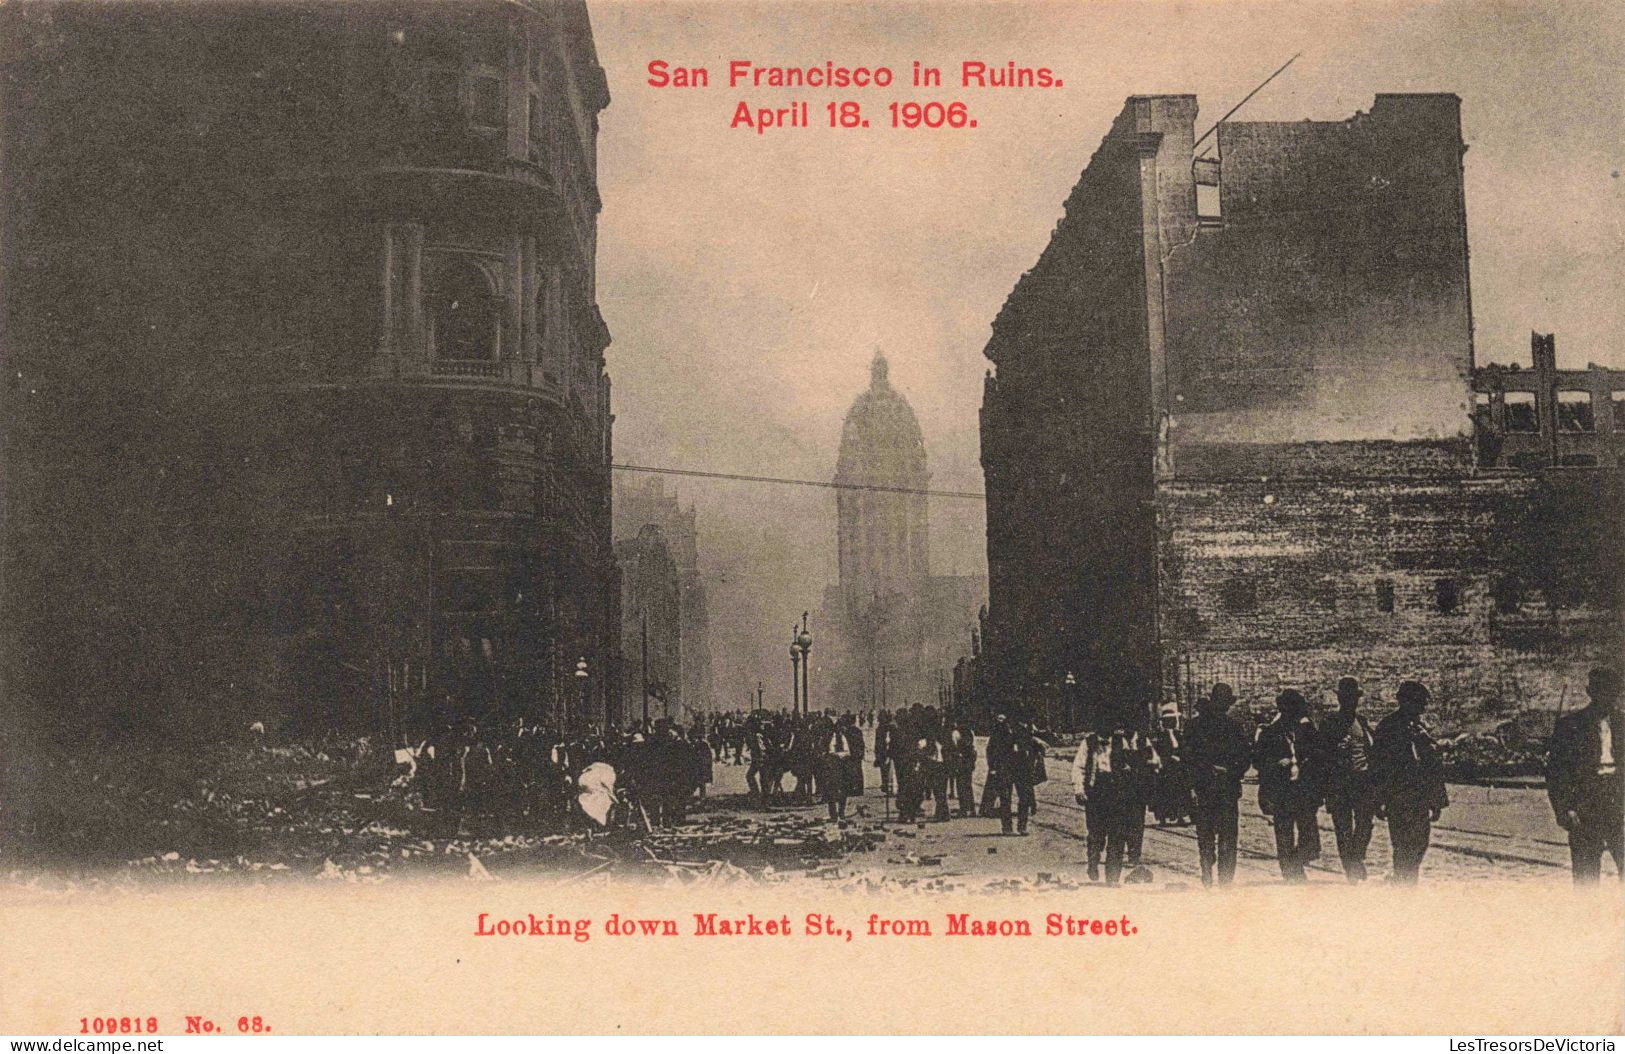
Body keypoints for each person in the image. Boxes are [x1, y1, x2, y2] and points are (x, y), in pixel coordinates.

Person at [1547, 667, 1623, 884]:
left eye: (1613, 692)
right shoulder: (1571, 726)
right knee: (1585, 877)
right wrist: (1565, 809)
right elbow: (1556, 773)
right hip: (1586, 808)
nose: (1607, 698)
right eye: (1602, 692)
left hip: (1620, 805)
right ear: (1592, 692)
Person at [1372, 680, 1449, 884]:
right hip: (1398, 795)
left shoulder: (1421, 728)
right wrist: (1379, 799)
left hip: (1421, 796)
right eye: (1419, 702)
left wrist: (1437, 800)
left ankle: (1407, 878)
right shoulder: (1388, 727)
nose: (1423, 707)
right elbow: (1378, 765)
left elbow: (1433, 766)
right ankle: (1404, 882)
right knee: (1402, 843)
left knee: (1421, 842)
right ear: (1406, 702)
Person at [1183, 683, 1253, 886]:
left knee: (1207, 833)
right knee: (1227, 834)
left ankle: (1210, 870)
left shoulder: (1195, 726)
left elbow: (1188, 757)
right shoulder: (1233, 727)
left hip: (1209, 787)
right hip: (1223, 787)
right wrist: (1228, 771)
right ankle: (1223, 879)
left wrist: (1208, 770)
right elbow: (1244, 758)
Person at [1073, 710, 1153, 883]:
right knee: (1096, 832)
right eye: (1103, 726)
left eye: (1110, 726)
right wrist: (1079, 790)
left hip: (1117, 792)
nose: (1107, 730)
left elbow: (1136, 760)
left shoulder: (1121, 742)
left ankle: (1112, 876)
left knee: (1117, 834)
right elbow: (1078, 767)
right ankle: (1093, 862)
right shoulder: (1089, 742)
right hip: (1096, 792)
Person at [1255, 689, 1323, 883]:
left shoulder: (1307, 730)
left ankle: (1295, 862)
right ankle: (1291, 872)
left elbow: (1320, 756)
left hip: (1303, 790)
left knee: (1311, 841)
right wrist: (1277, 763)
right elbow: (1258, 760)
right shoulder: (1270, 733)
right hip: (1282, 791)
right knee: (1284, 833)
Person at [1321, 676, 1378, 882]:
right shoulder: (1330, 723)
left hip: (1362, 780)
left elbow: (1372, 749)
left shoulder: (1361, 722)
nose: (1350, 701)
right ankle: (1350, 867)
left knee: (1365, 823)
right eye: (1346, 698)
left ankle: (1356, 856)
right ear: (1340, 699)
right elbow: (1321, 753)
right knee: (1343, 827)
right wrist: (1336, 749)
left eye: (1353, 698)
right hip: (1340, 783)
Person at [949, 719, 978, 818]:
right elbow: (974, 748)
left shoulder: (956, 733)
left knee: (960, 786)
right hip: (969, 761)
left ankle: (963, 810)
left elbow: (954, 747)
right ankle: (971, 809)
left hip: (960, 761)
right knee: (968, 785)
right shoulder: (970, 732)